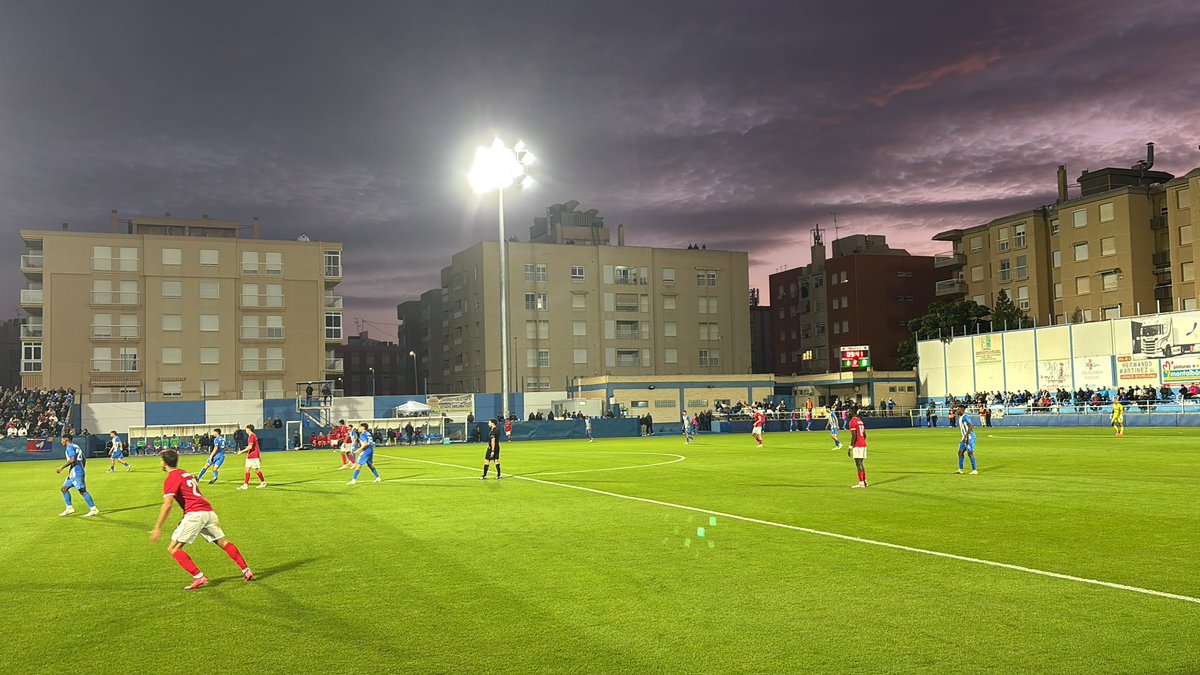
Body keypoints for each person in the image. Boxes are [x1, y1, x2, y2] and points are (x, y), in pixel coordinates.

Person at [150, 449, 253, 590]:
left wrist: (157, 527)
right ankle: (246, 570)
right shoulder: (185, 473)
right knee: (223, 542)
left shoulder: (171, 478)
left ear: (164, 462)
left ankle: (198, 577)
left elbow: (168, 504)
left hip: (195, 514)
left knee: (173, 548)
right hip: (208, 511)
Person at [55, 433, 98, 517]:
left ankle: (93, 509)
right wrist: (82, 467)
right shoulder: (76, 446)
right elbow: (84, 459)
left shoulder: (69, 447)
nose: (61, 442)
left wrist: (62, 467)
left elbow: (72, 459)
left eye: (62, 440)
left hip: (76, 473)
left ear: (66, 440)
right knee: (64, 488)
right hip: (73, 473)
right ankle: (69, 508)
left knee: (82, 491)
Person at [235, 424, 266, 490]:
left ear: (249, 429)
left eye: (246, 429)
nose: (245, 430)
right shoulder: (251, 436)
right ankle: (245, 484)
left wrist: (241, 451)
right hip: (250, 455)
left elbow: (250, 447)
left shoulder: (252, 436)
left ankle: (263, 482)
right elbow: (256, 446)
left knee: (255, 470)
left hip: (253, 455)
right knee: (247, 469)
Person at [848, 409, 868, 489]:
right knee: (861, 463)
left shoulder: (852, 422)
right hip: (863, 444)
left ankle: (861, 483)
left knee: (858, 463)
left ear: (852, 413)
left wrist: (850, 447)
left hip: (858, 445)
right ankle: (864, 481)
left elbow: (854, 435)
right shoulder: (860, 421)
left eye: (848, 412)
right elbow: (864, 434)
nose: (847, 414)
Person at [955, 405, 978, 475]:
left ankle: (975, 470)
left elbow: (971, 426)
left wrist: (967, 436)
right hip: (964, 437)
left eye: (958, 409)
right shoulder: (961, 417)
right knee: (960, 452)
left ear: (962, 410)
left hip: (969, 437)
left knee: (970, 453)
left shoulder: (965, 417)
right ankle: (960, 469)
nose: (957, 410)